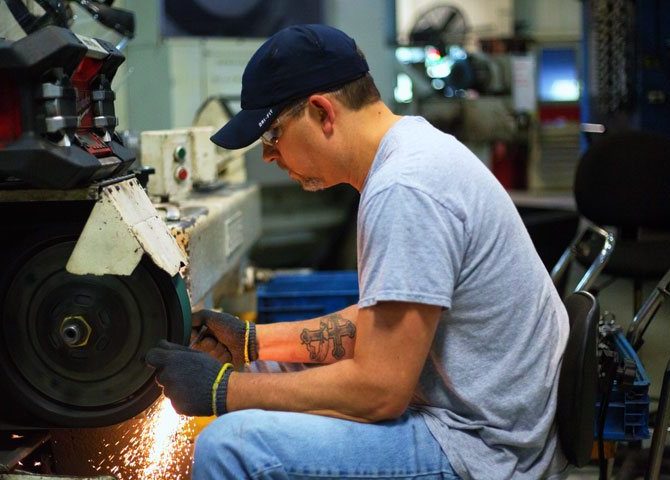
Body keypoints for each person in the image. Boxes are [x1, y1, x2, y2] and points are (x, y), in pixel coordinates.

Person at [146, 24, 570, 480]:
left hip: (482, 448)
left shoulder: (405, 189)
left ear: (322, 112)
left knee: (228, 449)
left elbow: (379, 391)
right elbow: (383, 324)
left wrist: (224, 390)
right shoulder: (412, 153)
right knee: (267, 372)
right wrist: (253, 343)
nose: (269, 156)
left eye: (273, 136)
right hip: (482, 422)